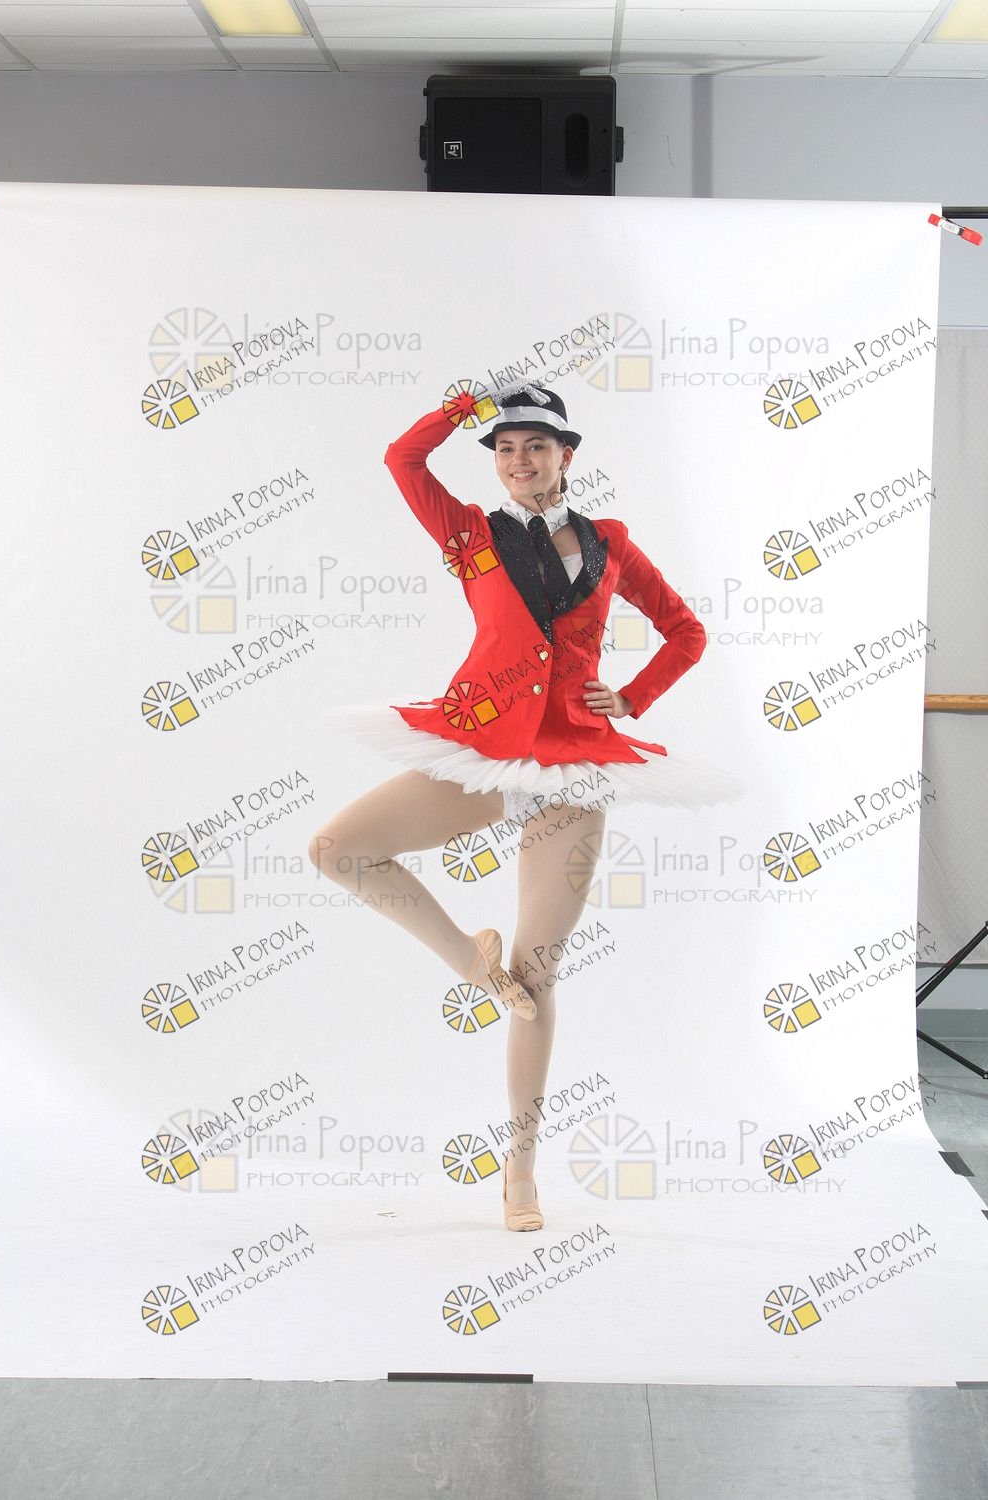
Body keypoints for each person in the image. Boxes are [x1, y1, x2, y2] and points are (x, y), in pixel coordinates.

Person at [309, 380, 741, 1233]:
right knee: (337, 849)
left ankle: (520, 1169)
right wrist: (459, 408)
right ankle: (473, 966)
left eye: (535, 446)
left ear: (565, 455)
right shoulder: (470, 534)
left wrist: (635, 697)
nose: (518, 461)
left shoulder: (610, 543)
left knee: (536, 978)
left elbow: (686, 632)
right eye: (505, 448)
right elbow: (402, 459)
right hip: (478, 745)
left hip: (574, 764)